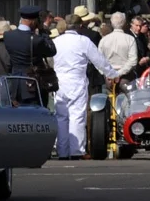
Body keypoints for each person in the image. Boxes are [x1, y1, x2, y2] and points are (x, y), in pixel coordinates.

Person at [51, 14, 119, 160]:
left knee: (61, 117)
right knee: (77, 116)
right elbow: (99, 60)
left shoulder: (56, 41)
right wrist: (111, 73)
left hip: (60, 82)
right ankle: (76, 150)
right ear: (79, 26)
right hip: (77, 81)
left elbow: (50, 61)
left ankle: (62, 151)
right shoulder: (83, 41)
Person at [3, 6, 57, 104]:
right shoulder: (37, 40)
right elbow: (52, 51)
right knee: (35, 115)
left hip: (15, 82)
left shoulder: (8, 36)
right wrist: (44, 32)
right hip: (32, 83)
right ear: (33, 22)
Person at [99, 12, 140, 83]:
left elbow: (98, 60)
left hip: (109, 78)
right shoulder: (130, 39)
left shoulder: (104, 40)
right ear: (124, 23)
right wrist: (118, 74)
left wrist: (108, 73)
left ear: (111, 23)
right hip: (126, 77)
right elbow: (133, 61)